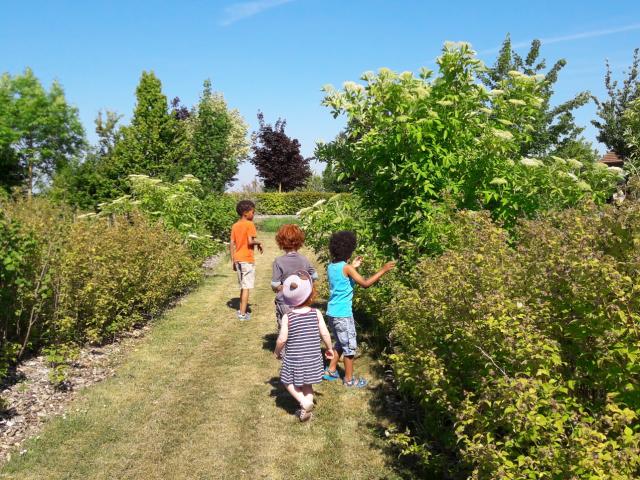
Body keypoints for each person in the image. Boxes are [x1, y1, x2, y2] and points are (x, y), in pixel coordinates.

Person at [323, 230, 395, 387]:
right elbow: (366, 283)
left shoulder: (331, 266)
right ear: (349, 250)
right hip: (343, 314)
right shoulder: (347, 268)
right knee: (349, 347)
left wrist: (353, 266)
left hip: (332, 313)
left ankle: (331, 370)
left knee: (341, 342)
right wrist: (383, 269)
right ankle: (349, 380)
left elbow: (343, 276)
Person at [274, 271, 334, 422]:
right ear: (310, 294)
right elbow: (325, 333)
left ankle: (304, 402)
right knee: (307, 383)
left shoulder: (289, 316)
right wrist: (329, 348)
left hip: (295, 358)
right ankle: (306, 409)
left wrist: (277, 351)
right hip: (313, 358)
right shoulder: (316, 313)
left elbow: (282, 339)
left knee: (287, 380)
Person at [271, 224, 318, 329]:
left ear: (281, 241)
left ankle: (284, 345)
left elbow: (275, 284)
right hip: (302, 300)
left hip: (284, 301)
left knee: (285, 328)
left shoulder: (279, 261)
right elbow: (314, 276)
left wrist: (283, 287)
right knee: (299, 328)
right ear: (299, 241)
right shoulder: (304, 259)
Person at [230, 200, 263, 320]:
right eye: (252, 212)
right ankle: (243, 314)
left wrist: (233, 260)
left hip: (238, 259)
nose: (253, 215)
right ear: (245, 213)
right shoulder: (249, 224)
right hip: (247, 259)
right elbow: (250, 241)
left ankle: (241, 309)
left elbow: (232, 243)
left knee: (243, 286)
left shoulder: (235, 225)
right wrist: (259, 242)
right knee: (246, 287)